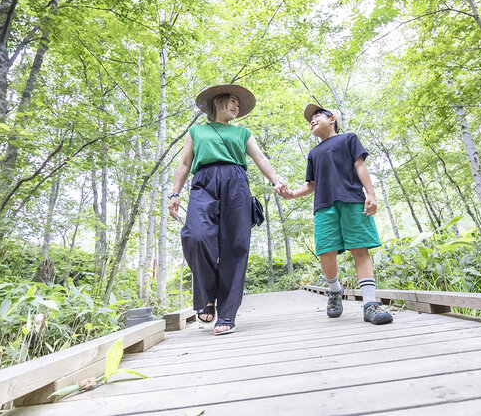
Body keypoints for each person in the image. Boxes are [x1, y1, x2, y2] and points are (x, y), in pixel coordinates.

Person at [168, 84, 285, 335]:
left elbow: (260, 158)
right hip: (204, 183)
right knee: (194, 236)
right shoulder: (196, 131)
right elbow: (184, 163)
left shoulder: (242, 133)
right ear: (217, 102)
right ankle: (206, 296)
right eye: (231, 101)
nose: (236, 106)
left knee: (235, 245)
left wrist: (276, 181)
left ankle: (228, 313)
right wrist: (175, 194)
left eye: (238, 103)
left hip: (236, 184)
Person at [281, 104, 392, 325]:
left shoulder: (348, 138)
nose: (312, 121)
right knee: (326, 252)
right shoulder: (314, 153)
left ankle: (370, 304)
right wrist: (291, 194)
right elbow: (312, 185)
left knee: (359, 250)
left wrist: (371, 193)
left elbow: (359, 166)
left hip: (352, 200)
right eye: (309, 120)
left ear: (332, 119)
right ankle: (335, 291)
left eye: (316, 116)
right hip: (324, 206)